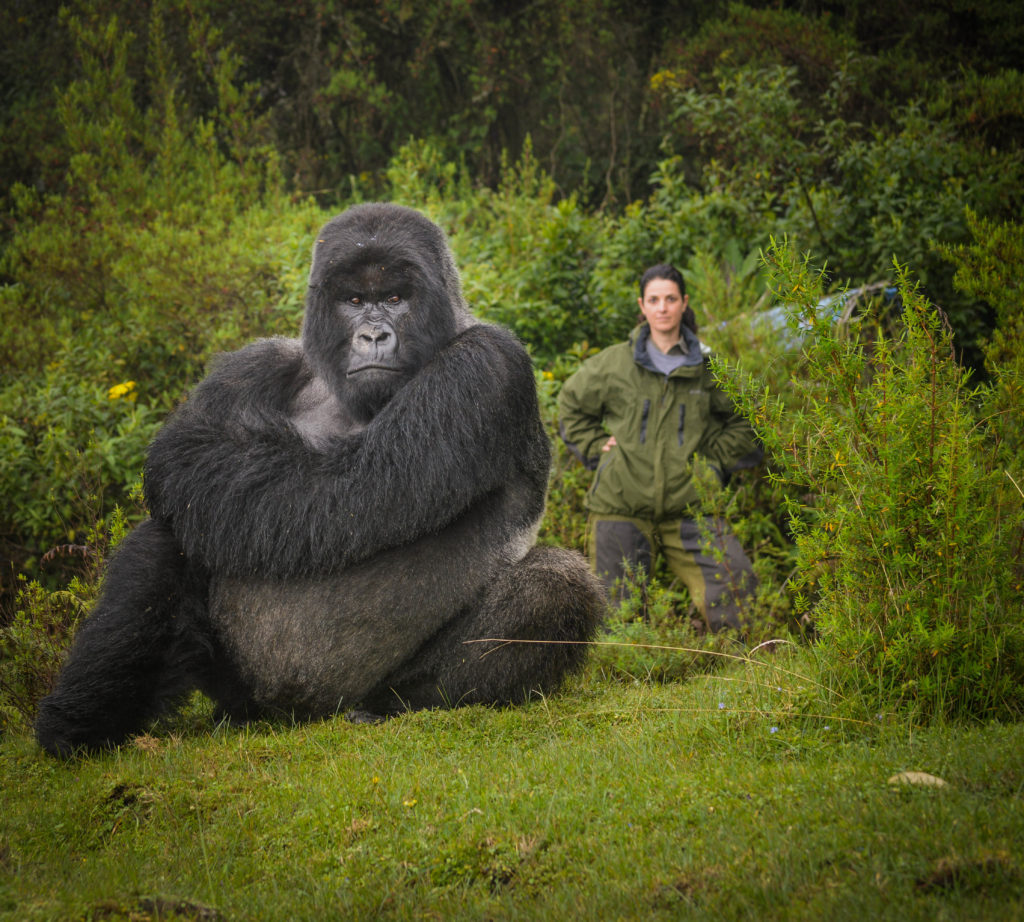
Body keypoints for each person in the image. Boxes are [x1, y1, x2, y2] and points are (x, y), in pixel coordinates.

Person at [557, 264, 762, 632]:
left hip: (691, 505)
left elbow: (751, 418)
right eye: (654, 300)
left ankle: (736, 663)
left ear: (684, 303)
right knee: (616, 620)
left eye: (670, 299)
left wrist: (711, 462)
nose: (663, 307)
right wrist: (595, 447)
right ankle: (624, 681)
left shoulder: (708, 367)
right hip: (621, 502)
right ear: (643, 306)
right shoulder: (614, 364)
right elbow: (571, 404)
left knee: (736, 599)